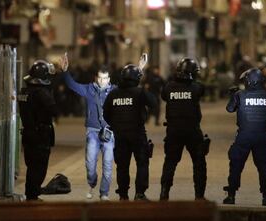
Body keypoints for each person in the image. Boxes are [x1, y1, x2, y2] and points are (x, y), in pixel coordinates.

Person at [59, 53, 115, 201]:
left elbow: (131, 86)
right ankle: (92, 181)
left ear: (109, 79)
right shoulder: (89, 89)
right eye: (100, 78)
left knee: (108, 165)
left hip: (109, 132)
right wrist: (65, 71)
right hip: (92, 132)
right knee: (90, 164)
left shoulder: (114, 91)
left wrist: (139, 69)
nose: (102, 81)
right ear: (96, 78)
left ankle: (104, 193)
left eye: (105, 78)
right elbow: (72, 85)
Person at [223, 68, 266, 206]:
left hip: (244, 137)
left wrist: (233, 95)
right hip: (262, 137)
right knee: (263, 167)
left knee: (236, 165)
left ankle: (231, 196)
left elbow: (229, 109)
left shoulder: (240, 95)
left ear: (248, 81)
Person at [103, 64, 156, 201]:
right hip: (137, 133)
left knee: (122, 165)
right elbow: (154, 103)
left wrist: (115, 125)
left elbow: (105, 114)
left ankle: (122, 195)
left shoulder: (113, 93)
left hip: (120, 135)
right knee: (142, 162)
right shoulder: (139, 92)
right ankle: (139, 194)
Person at [159, 58, 207, 201]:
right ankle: (199, 196)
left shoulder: (168, 87)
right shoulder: (196, 88)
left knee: (170, 162)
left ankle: (164, 193)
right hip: (192, 131)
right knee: (199, 163)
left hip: (174, 131)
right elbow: (200, 89)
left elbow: (164, 96)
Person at [18, 60, 58, 201]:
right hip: (41, 134)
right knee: (39, 167)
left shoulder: (24, 92)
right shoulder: (42, 93)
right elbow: (54, 109)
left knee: (31, 165)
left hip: (28, 133)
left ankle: (31, 193)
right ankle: (32, 196)